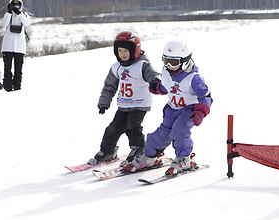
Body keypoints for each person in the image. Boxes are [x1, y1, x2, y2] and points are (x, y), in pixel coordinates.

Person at [123, 40, 213, 175]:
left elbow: (206, 96)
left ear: (185, 61)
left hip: (189, 110)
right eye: (166, 61)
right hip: (172, 108)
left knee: (179, 130)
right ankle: (150, 156)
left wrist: (200, 112)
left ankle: (184, 158)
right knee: (162, 133)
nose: (169, 65)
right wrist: (157, 88)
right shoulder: (166, 72)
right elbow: (167, 86)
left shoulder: (194, 78)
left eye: (174, 62)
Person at [88, 31, 161, 166]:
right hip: (123, 105)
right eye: (119, 50)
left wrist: (155, 82)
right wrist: (104, 102)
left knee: (132, 127)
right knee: (112, 129)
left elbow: (153, 75)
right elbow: (109, 86)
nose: (122, 54)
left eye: (125, 50)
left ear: (135, 50)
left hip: (139, 104)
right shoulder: (117, 68)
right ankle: (108, 151)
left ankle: (138, 151)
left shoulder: (142, 65)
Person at [0, 0, 30, 92]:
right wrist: (9, 12)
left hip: (19, 47)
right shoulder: (8, 15)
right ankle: (8, 86)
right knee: (7, 68)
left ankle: (17, 86)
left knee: (18, 69)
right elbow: (3, 24)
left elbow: (26, 23)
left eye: (18, 4)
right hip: (8, 46)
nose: (16, 6)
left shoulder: (24, 15)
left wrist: (19, 14)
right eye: (14, 4)